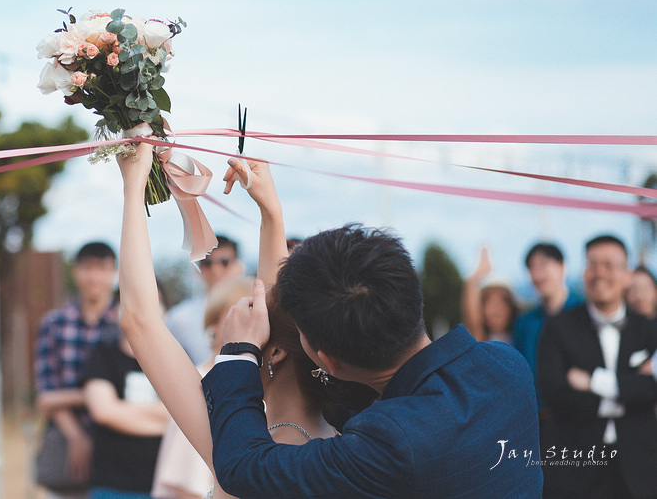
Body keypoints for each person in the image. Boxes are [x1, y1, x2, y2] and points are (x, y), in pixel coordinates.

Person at [202, 212, 542, 493]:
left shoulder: (388, 443)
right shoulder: (506, 364)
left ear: (330, 360)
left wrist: (238, 352)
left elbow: (243, 466)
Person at [118, 148, 370, 499]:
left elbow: (139, 320)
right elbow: (280, 314)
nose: (243, 312)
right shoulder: (349, 449)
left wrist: (133, 188)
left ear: (275, 350)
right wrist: (271, 212)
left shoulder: (241, 452)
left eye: (250, 310)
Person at [538, 235, 657, 499]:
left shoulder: (650, 329)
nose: (599, 273)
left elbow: (654, 389)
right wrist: (628, 393)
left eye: (609, 265)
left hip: (643, 467)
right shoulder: (557, 328)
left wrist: (594, 383)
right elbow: (555, 393)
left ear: (627, 275)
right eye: (592, 264)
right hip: (577, 466)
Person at [152, 277, 255, 499]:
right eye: (236, 313)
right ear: (213, 327)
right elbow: (187, 487)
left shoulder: (255, 383)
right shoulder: (199, 382)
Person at [34, 242, 121, 499]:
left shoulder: (126, 321)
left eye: (102, 269)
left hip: (120, 445)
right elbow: (46, 396)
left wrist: (78, 396)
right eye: (88, 268)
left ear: (114, 272)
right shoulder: (54, 323)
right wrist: (77, 437)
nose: (94, 277)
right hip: (64, 444)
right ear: (75, 272)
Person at [83, 327, 169, 498]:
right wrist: (165, 422)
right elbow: (104, 412)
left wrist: (120, 410)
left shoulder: (171, 361)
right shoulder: (103, 356)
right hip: (111, 484)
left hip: (162, 485)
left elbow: (181, 414)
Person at [165, 235, 244, 364]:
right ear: (198, 269)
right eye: (207, 263)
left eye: (224, 262)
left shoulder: (255, 309)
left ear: (239, 266)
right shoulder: (179, 318)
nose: (215, 269)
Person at [514, 242, 580, 383]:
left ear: (562, 266)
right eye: (532, 268)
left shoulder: (583, 313)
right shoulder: (525, 323)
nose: (538, 275)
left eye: (543, 265)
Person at [461, 247, 519, 343]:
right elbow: (474, 322)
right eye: (490, 303)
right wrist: (475, 277)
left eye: (502, 301)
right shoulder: (482, 342)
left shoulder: (522, 337)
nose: (496, 309)